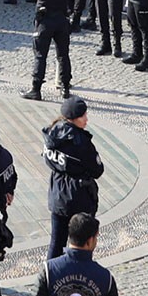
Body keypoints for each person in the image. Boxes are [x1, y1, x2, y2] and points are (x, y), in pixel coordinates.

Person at [43, 97, 103, 260]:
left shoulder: (51, 134)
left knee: (56, 242)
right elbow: (97, 170)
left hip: (57, 195)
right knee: (82, 244)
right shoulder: (81, 143)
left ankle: (50, 277)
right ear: (73, 119)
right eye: (83, 116)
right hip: (78, 198)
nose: (86, 119)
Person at [24, 0, 77, 99]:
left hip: (45, 20)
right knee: (63, 55)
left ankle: (36, 89)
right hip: (62, 19)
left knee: (40, 55)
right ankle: (65, 88)